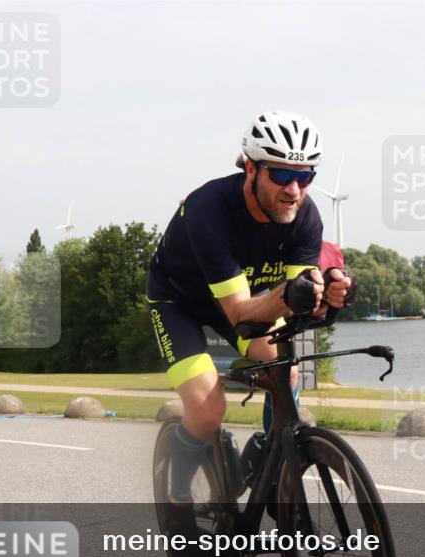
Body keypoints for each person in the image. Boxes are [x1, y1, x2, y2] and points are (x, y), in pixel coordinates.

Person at [146, 110, 352, 505]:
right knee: (208, 409)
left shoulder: (305, 214)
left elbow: (301, 299)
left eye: (306, 176)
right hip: (181, 304)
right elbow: (240, 313)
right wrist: (293, 294)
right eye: (280, 175)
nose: (294, 189)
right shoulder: (209, 207)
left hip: (248, 298)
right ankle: (178, 495)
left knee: (286, 374)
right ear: (251, 169)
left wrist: (331, 295)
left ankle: (274, 465)